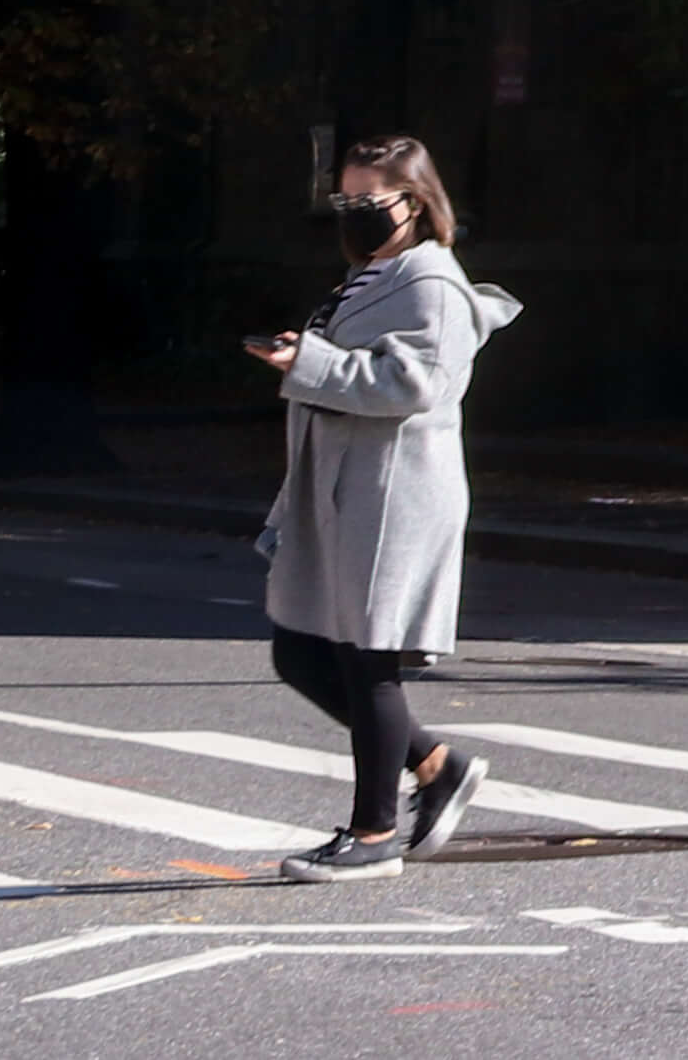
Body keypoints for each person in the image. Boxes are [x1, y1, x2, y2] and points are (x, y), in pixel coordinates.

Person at [243, 137, 523, 878]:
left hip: (395, 491)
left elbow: (414, 385)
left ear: (417, 203)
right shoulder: (370, 276)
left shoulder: (430, 282)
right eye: (345, 201)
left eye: (371, 202)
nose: (356, 214)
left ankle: (372, 836)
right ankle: (437, 765)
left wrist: (308, 362)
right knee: (300, 649)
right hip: (344, 490)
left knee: (367, 660)